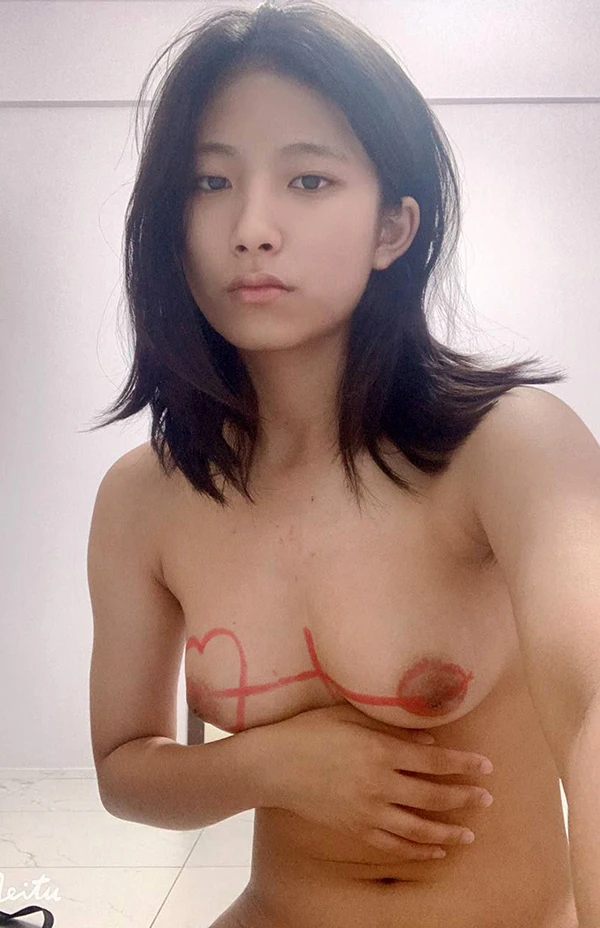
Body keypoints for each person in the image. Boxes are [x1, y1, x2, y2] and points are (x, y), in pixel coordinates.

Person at [86, 2, 588, 926]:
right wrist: (272, 765)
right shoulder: (144, 498)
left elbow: (595, 710)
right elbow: (124, 769)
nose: (252, 227)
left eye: (309, 180)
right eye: (209, 182)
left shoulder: (512, 447)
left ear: (393, 227)